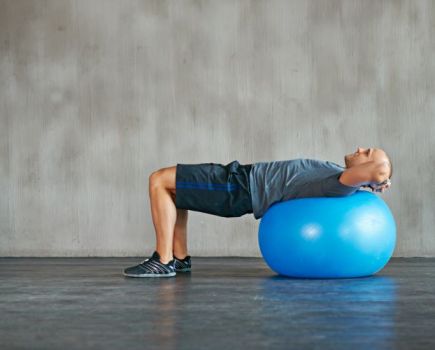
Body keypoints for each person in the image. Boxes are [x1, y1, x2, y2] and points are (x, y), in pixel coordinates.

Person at [123, 147, 392, 278]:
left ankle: (163, 260)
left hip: (239, 187)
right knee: (175, 190)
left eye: (366, 152)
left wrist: (381, 178)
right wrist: (375, 177)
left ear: (367, 168)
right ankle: (178, 258)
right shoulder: (336, 174)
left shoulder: (339, 184)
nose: (359, 149)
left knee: (159, 179)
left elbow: (379, 170)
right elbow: (374, 170)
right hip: (241, 177)